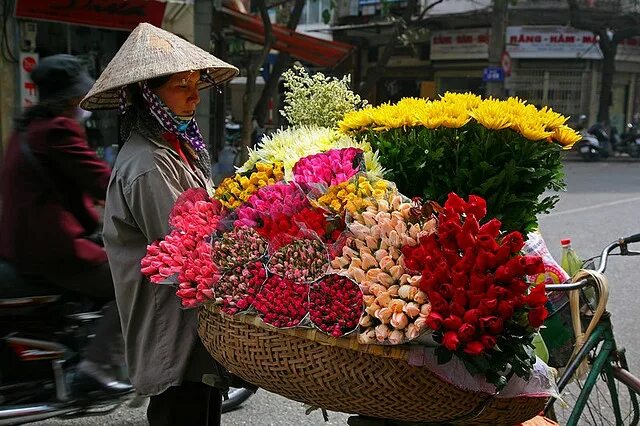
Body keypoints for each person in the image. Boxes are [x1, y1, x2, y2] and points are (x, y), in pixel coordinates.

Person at [80, 23, 239, 425]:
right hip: (172, 333)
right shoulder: (148, 165)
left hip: (195, 330)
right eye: (180, 86)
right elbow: (183, 246)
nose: (193, 94)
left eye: (195, 84)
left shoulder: (175, 147)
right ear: (148, 96)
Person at [0, 54, 131, 393]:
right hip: (52, 249)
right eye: (79, 97)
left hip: (23, 244)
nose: (83, 103)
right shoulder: (57, 131)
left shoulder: (26, 129)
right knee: (134, 278)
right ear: (71, 99)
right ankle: (97, 366)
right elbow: (104, 181)